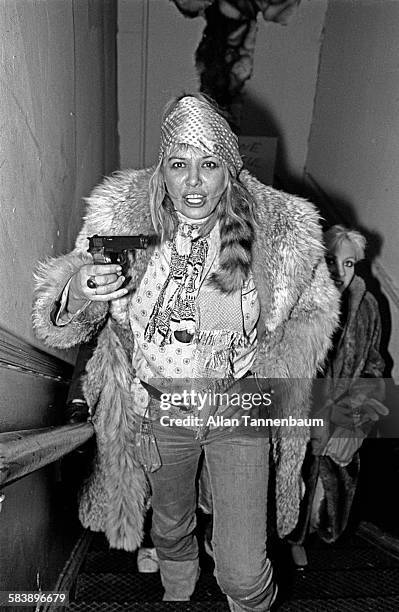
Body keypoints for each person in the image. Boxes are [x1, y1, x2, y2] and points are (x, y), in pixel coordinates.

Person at [32, 93, 339, 611]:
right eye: (179, 165)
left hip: (237, 407)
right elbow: (69, 316)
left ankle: (242, 590)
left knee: (243, 570)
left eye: (209, 165)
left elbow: (315, 319)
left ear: (230, 171)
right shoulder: (123, 220)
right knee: (171, 529)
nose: (193, 182)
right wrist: (82, 289)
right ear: (163, 169)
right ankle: (179, 590)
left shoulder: (278, 237)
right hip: (161, 409)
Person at [289, 225, 387, 569]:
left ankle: (300, 537)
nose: (341, 273)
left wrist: (353, 423)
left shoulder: (367, 308)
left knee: (317, 506)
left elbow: (374, 370)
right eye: (332, 261)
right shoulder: (292, 303)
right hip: (290, 425)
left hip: (334, 427)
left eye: (349, 264)